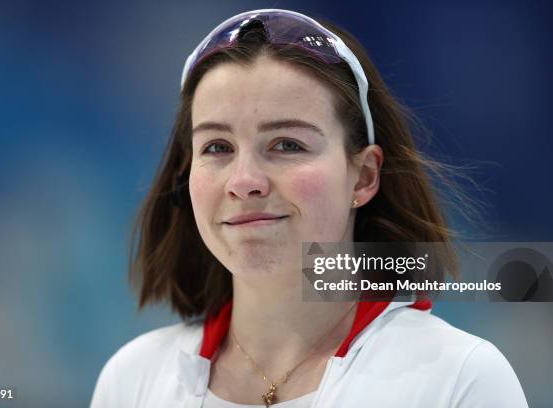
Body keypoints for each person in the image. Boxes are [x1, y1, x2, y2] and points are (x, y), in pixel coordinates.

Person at [90, 9, 528, 407]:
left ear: (364, 176)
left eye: (287, 144)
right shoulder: (132, 380)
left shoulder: (460, 379)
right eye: (218, 146)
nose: (244, 182)